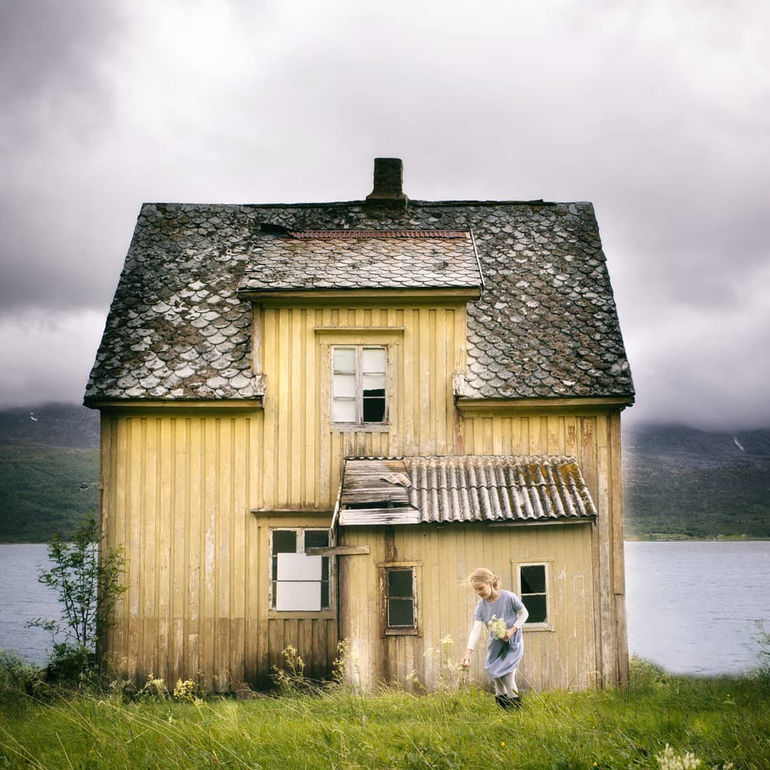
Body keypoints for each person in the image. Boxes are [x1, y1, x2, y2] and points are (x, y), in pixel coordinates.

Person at [460, 567, 529, 709]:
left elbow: (524, 614)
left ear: (490, 582)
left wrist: (512, 630)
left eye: (481, 588)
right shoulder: (481, 606)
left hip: (512, 643)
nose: (479, 593)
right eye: (476, 590)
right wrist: (468, 654)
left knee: (507, 678)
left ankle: (517, 712)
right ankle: (504, 713)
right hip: (496, 645)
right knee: (497, 679)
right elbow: (476, 630)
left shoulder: (509, 597)